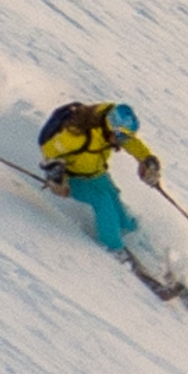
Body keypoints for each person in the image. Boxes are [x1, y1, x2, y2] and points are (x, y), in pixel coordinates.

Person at [35, 101, 166, 257]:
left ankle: (133, 237)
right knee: (102, 200)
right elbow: (49, 149)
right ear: (110, 128)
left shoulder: (110, 126)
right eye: (120, 136)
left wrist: (147, 159)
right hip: (72, 178)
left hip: (95, 173)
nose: (122, 141)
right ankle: (113, 247)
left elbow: (129, 140)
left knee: (115, 202)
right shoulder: (76, 135)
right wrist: (56, 177)